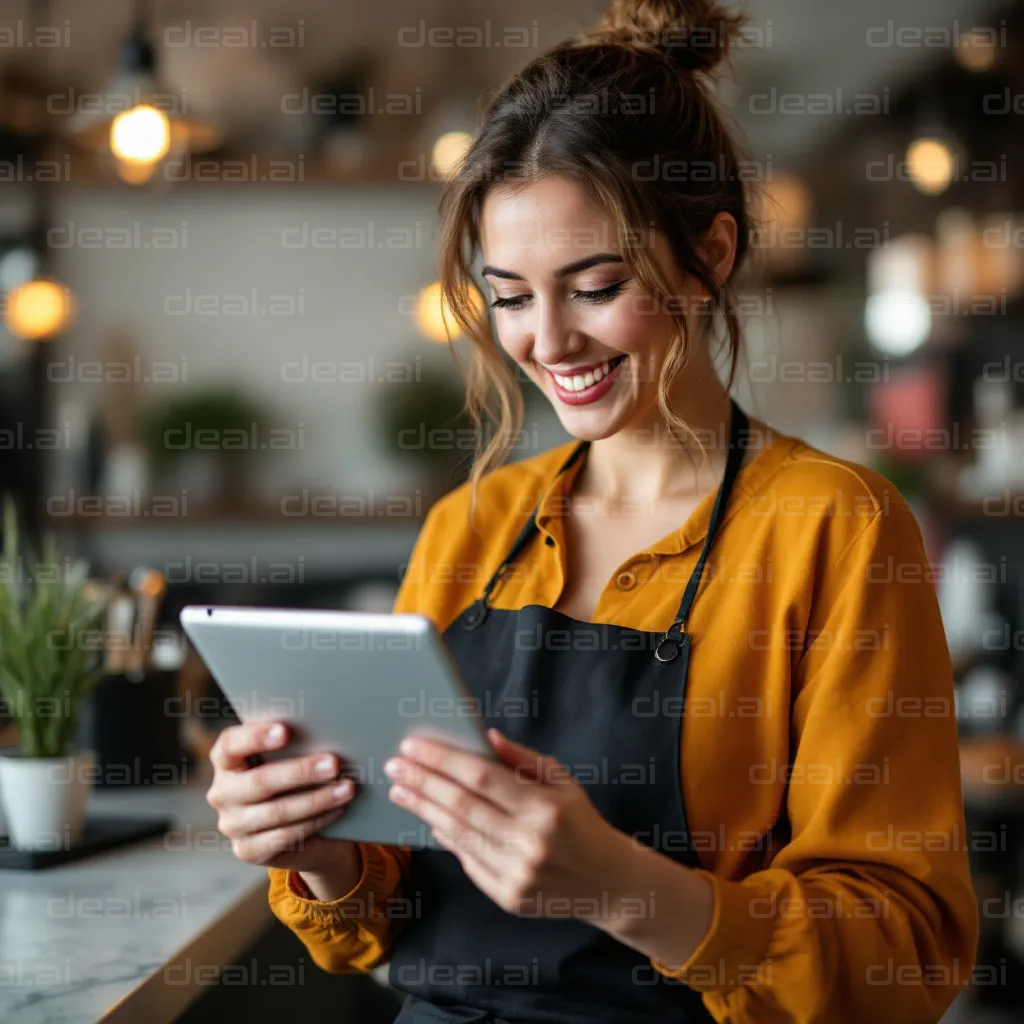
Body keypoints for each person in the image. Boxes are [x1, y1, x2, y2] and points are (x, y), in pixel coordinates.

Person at [204, 1, 978, 1020]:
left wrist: (623, 886)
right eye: (512, 296)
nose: (548, 341)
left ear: (711, 254)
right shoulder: (471, 529)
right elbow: (383, 911)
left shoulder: (833, 528)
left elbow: (906, 952)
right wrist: (318, 854)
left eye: (596, 285)